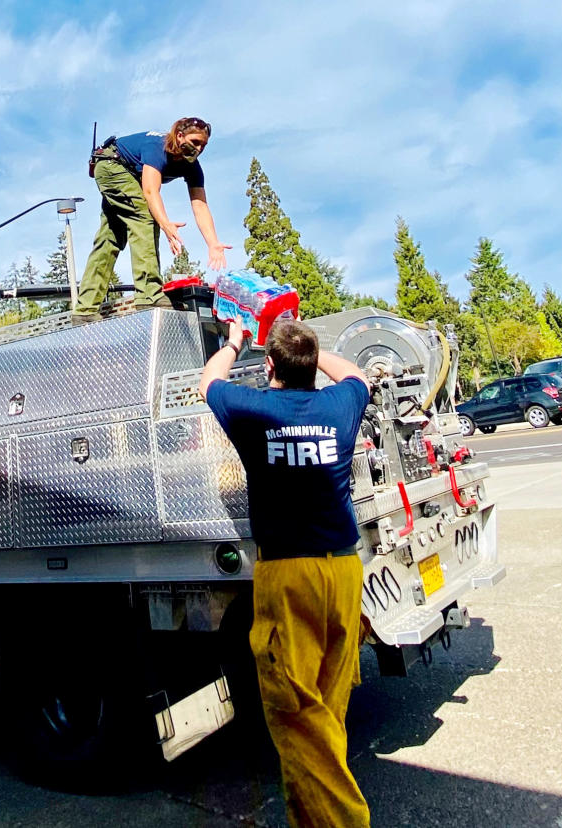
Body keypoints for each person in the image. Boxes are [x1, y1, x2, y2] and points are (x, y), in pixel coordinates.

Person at [199, 317, 371, 827]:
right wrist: (313, 351)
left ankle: (344, 821)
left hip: (288, 575)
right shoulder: (340, 406)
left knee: (295, 710)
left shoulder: (255, 410)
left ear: (269, 365)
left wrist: (234, 341)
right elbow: (357, 373)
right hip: (342, 571)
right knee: (326, 709)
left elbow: (208, 381)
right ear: (309, 364)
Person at [73, 117, 231, 323]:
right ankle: (149, 294)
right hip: (112, 165)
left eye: (203, 145)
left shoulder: (192, 167)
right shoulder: (158, 147)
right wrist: (165, 225)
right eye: (195, 142)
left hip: (127, 174)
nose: (199, 149)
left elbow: (200, 204)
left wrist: (213, 243)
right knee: (145, 216)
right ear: (179, 136)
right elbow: (150, 191)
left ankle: (85, 309)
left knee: (111, 237)